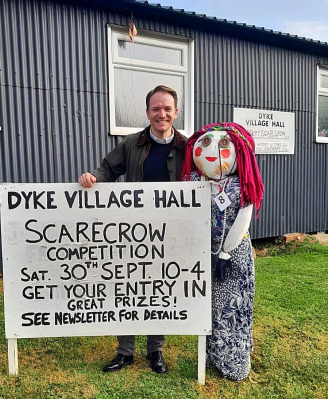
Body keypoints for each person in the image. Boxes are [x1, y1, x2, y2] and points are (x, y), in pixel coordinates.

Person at [78, 85, 186, 374]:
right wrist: (93, 178)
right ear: (147, 112)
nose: (161, 114)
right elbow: (108, 170)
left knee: (159, 289)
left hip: (171, 232)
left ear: (176, 111)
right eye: (155, 109)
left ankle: (156, 352)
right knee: (128, 287)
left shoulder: (187, 147)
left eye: (167, 108)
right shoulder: (131, 144)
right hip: (134, 230)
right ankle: (125, 352)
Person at [181, 122, 264, 381]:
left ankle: (233, 361)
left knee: (232, 307)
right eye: (204, 144)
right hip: (203, 255)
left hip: (233, 256)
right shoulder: (194, 181)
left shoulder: (242, 184)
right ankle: (209, 357)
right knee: (206, 308)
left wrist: (225, 252)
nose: (211, 152)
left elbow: (243, 220)